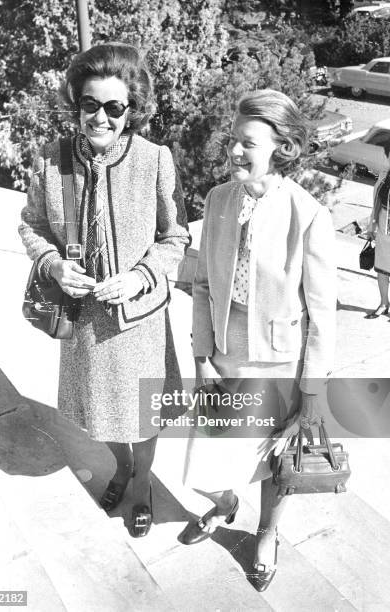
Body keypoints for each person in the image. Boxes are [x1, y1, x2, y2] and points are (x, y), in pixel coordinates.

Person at [19, 42, 190, 537]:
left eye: (115, 107)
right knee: (102, 415)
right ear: (76, 102)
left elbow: (176, 235)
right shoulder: (52, 161)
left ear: (132, 108)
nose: (101, 118)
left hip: (138, 323)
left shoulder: (156, 160)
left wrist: (139, 276)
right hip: (85, 320)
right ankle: (122, 467)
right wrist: (52, 263)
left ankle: (140, 484)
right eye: (90, 104)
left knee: (144, 414)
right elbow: (31, 225)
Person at [179, 89, 336, 591]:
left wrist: (311, 395)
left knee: (273, 462)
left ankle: (266, 535)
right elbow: (201, 285)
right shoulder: (219, 199)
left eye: (247, 142)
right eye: (232, 140)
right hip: (223, 357)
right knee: (203, 457)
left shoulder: (308, 214)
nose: (234, 152)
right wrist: (202, 357)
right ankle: (224, 505)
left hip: (278, 364)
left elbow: (323, 316)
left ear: (281, 146)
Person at [365, 148, 390, 319]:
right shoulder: (384, 175)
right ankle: (383, 304)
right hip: (383, 226)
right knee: (382, 269)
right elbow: (376, 203)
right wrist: (371, 226)